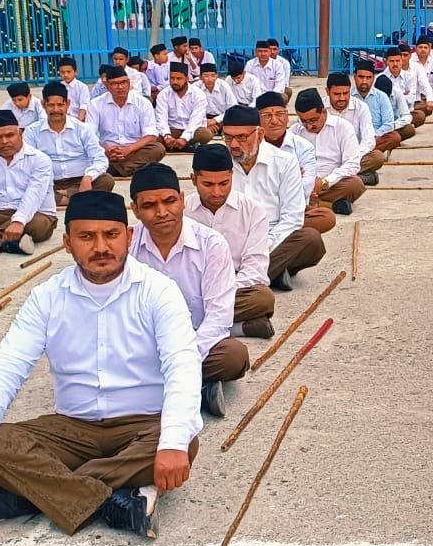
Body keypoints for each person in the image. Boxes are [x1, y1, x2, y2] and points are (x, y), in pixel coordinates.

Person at [0, 190, 202, 539]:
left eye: (111, 235)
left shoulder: (159, 291)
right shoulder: (47, 297)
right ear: (67, 243)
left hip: (144, 426)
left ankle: (37, 493)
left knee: (182, 439)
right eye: (86, 237)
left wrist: (172, 444)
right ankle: (113, 502)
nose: (101, 247)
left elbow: (183, 367)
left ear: (129, 236)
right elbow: (5, 367)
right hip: (72, 429)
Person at [127, 164, 249, 419]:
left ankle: (151, 391)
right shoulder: (127, 245)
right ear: (135, 210)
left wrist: (181, 358)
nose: (162, 212)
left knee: (233, 357)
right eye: (149, 205)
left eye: (169, 201)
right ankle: (197, 389)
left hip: (195, 343)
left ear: (182, 200)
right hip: (142, 346)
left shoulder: (211, 244)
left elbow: (218, 318)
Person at [216, 104, 327, 289]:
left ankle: (241, 281)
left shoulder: (284, 162)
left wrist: (261, 247)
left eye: (241, 137)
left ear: (260, 134)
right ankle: (271, 274)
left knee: (311, 240)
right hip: (231, 242)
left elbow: (292, 218)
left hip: (271, 239)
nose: (233, 144)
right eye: (228, 137)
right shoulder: (218, 162)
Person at [186, 146, 275, 339]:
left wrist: (219, 295)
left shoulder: (253, 211)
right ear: (193, 180)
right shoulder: (183, 211)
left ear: (232, 176)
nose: (217, 192)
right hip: (191, 288)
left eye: (224, 183)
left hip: (233, 286)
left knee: (262, 298)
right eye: (208, 184)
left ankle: (191, 326)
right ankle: (236, 329)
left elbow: (255, 269)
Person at [0, 110, 57, 255]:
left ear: (20, 133)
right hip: (0, 215)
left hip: (36, 215)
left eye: (9, 135)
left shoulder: (39, 159)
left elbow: (34, 194)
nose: (4, 141)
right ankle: (8, 245)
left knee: (38, 225)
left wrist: (18, 221)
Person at [27, 81, 116, 206]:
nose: (56, 110)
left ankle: (62, 198)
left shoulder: (83, 129)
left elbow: (100, 158)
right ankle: (78, 198)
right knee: (28, 186)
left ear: (68, 104)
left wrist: (88, 177)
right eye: (51, 105)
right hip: (50, 183)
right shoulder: (32, 131)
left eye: (60, 105)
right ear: (43, 105)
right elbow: (27, 163)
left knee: (106, 181)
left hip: (80, 180)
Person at [257, 92, 331, 234]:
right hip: (257, 213)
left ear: (287, 116)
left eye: (279, 114)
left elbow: (304, 190)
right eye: (267, 115)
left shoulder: (304, 147)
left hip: (292, 212)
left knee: (325, 218)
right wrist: (291, 177)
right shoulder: (252, 146)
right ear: (257, 119)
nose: (274, 121)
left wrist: (273, 181)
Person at [291, 89, 366, 216]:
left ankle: (308, 204)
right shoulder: (295, 131)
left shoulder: (343, 127)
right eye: (303, 121)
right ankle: (326, 205)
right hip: (302, 185)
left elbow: (352, 164)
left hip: (329, 185)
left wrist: (324, 183)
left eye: (313, 120)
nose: (308, 126)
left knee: (355, 184)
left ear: (324, 112)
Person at [90, 64, 165, 177]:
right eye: (115, 84)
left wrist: (128, 150)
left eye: (123, 82)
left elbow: (151, 135)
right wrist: (106, 150)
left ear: (129, 83)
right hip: (107, 152)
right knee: (85, 152)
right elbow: (90, 135)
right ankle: (130, 167)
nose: (120, 87)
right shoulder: (95, 104)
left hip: (135, 150)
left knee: (158, 149)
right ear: (107, 86)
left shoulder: (142, 103)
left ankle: (113, 168)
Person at [324, 72, 384, 185]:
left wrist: (351, 159)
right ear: (327, 92)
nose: (342, 98)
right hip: (327, 160)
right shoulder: (320, 109)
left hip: (355, 157)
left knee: (377, 157)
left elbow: (368, 140)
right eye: (337, 94)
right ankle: (359, 178)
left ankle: (337, 178)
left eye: (346, 93)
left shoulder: (361, 107)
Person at [155, 62, 212, 152]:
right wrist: (167, 136)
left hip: (192, 131)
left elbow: (196, 120)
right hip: (172, 130)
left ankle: (176, 146)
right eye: (172, 78)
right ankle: (184, 146)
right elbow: (161, 118)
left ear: (187, 79)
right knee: (153, 137)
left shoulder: (198, 94)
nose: (175, 82)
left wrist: (184, 138)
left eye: (179, 78)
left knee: (205, 134)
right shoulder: (163, 94)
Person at [353, 66, 404, 154]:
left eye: (368, 77)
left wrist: (372, 136)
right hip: (352, 139)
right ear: (354, 77)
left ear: (373, 78)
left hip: (375, 137)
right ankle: (363, 155)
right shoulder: (348, 96)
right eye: (361, 77)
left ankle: (359, 154)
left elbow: (389, 124)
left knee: (394, 137)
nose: (364, 81)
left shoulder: (382, 97)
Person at [382, 48, 425, 128]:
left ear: (402, 61)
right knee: (408, 130)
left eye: (397, 61)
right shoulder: (380, 78)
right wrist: (402, 95)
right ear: (386, 62)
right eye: (391, 61)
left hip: (406, 112)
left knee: (420, 116)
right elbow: (381, 102)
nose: (395, 64)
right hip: (387, 115)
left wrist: (393, 97)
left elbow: (411, 99)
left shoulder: (409, 77)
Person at [195, 63, 234, 135]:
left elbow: (232, 109)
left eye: (213, 76)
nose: (210, 79)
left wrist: (215, 120)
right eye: (206, 76)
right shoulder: (195, 87)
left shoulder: (224, 86)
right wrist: (205, 123)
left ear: (217, 76)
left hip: (221, 118)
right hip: (202, 120)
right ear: (200, 77)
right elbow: (192, 110)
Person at [56, 57, 93, 123]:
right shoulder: (57, 87)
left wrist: (78, 123)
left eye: (68, 72)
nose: (65, 75)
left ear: (76, 72)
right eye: (62, 72)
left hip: (78, 120)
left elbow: (84, 106)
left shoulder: (82, 87)